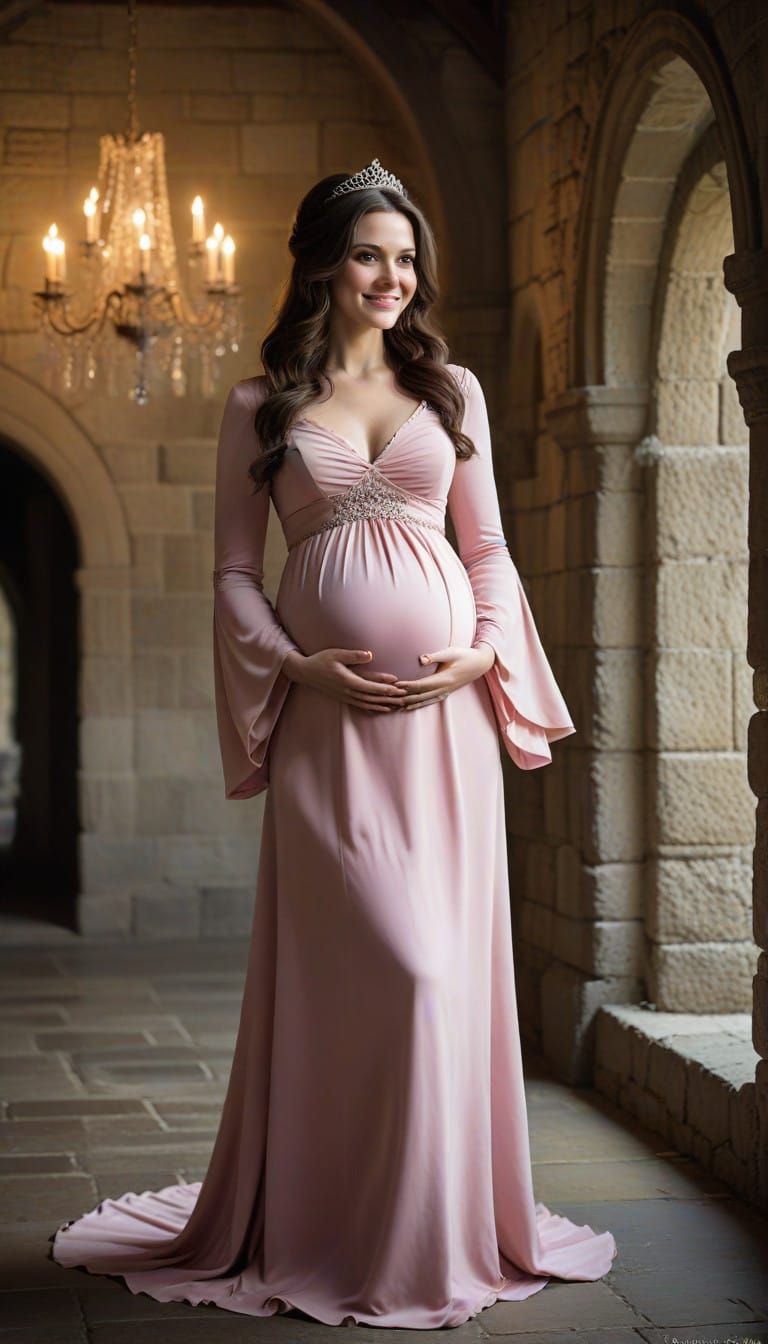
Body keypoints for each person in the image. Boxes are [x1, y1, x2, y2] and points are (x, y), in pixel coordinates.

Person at [49, 157, 617, 1328]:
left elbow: (491, 553)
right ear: (320, 263)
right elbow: (232, 573)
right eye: (370, 254)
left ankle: (426, 1228)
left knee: (435, 976)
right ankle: (329, 1224)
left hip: (446, 731)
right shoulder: (259, 405)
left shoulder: (452, 392)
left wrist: (483, 653)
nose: (392, 277)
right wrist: (297, 666)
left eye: (406, 259)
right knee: (371, 971)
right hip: (326, 735)